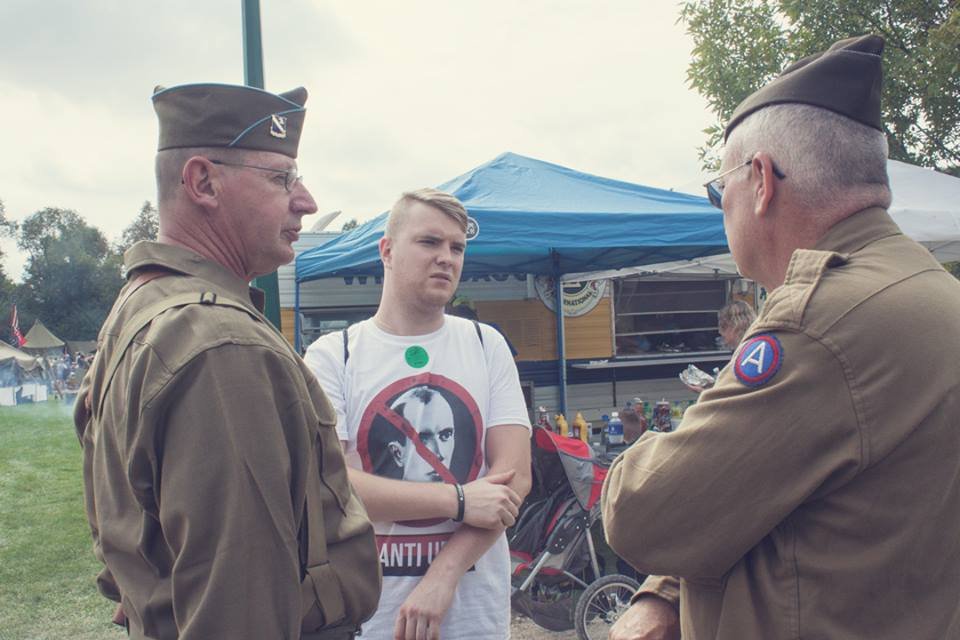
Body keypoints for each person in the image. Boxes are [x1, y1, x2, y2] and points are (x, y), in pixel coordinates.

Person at [603, 34, 960, 640]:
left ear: (762, 181)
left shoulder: (821, 324)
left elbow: (643, 514)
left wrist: (632, 468)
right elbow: (784, 488)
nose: (722, 210)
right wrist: (662, 594)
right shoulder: (928, 287)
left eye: (719, 191)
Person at [74, 83, 380, 640]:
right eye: (281, 177)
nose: (306, 200)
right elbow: (240, 608)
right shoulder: (221, 344)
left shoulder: (143, 306)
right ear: (202, 183)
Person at [305, 188, 532, 640]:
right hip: (370, 615)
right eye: (429, 242)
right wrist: (461, 501)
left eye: (457, 247)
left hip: (472, 617)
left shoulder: (487, 346)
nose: (446, 258)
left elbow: (514, 480)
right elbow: (332, 487)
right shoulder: (334, 355)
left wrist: (444, 575)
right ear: (386, 251)